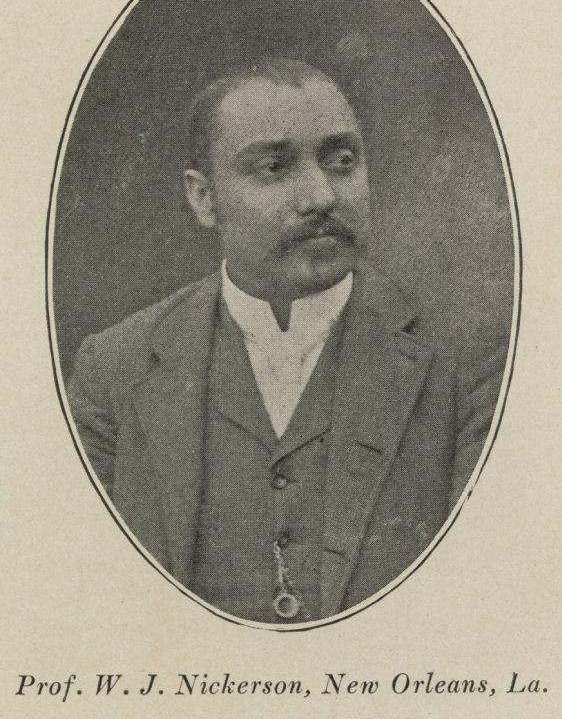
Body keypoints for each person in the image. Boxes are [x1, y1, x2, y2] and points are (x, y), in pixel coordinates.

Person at [67, 57, 494, 623]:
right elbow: (78, 601)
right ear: (202, 198)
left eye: (343, 161)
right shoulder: (114, 369)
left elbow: (482, 608)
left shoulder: (467, 365)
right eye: (273, 167)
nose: (321, 196)